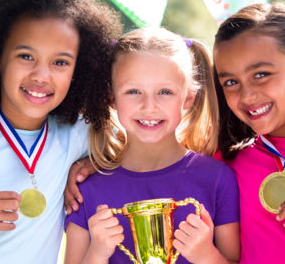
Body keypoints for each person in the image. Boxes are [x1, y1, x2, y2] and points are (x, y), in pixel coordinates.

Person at [0, 0, 121, 263]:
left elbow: (135, 148)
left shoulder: (77, 133)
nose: (42, 75)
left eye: (60, 62)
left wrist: (91, 164)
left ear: (78, 70)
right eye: (25, 56)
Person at [64, 28, 240, 264]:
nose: (149, 106)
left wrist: (207, 256)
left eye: (165, 92)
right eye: (133, 91)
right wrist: (96, 253)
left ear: (189, 97)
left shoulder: (218, 179)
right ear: (111, 97)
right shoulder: (86, 188)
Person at [213, 3, 285, 263]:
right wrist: (95, 164)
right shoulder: (225, 165)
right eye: (231, 82)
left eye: (261, 74)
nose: (246, 96)